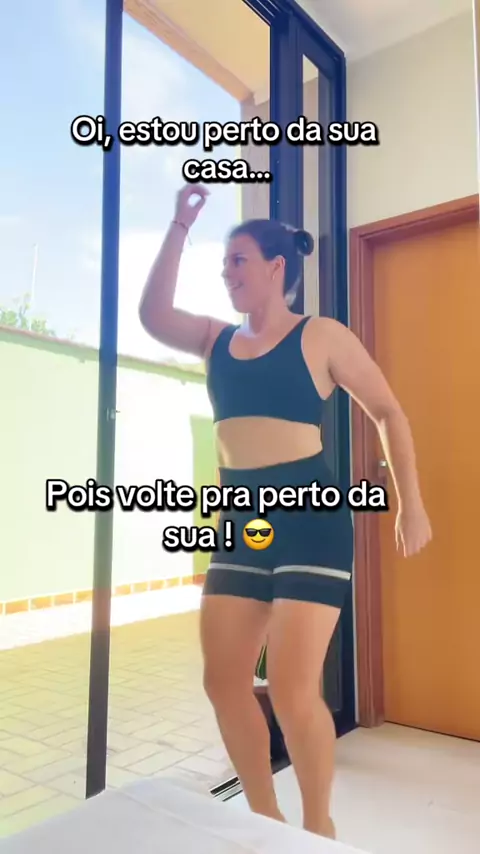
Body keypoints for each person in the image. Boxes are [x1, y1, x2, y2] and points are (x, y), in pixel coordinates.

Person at [138, 184, 432, 840]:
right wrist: (180, 226)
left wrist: (410, 502)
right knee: (224, 682)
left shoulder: (320, 335)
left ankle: (318, 827)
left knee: (295, 691)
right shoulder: (215, 339)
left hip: (309, 524)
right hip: (241, 526)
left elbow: (388, 411)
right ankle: (265, 821)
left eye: (238, 260)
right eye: (223, 263)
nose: (227, 272)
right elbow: (153, 315)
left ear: (277, 266)